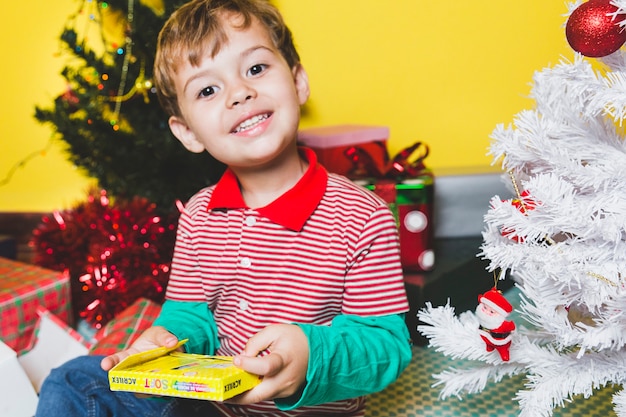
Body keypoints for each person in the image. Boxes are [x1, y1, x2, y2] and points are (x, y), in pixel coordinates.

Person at [34, 0, 412, 415]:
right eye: (208, 90)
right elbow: (190, 317)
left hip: (308, 412)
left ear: (299, 82)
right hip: (213, 406)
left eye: (255, 69)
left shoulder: (363, 214)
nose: (239, 93)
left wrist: (310, 355)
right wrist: (164, 340)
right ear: (188, 132)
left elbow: (385, 345)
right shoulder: (199, 215)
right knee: (73, 380)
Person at [476, 288, 515, 361]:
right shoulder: (482, 319)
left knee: (502, 348)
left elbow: (511, 327)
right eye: (485, 307)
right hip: (485, 335)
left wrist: (510, 326)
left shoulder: (501, 323)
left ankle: (504, 353)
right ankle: (489, 346)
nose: (487, 312)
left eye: (492, 311)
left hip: (500, 342)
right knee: (487, 341)